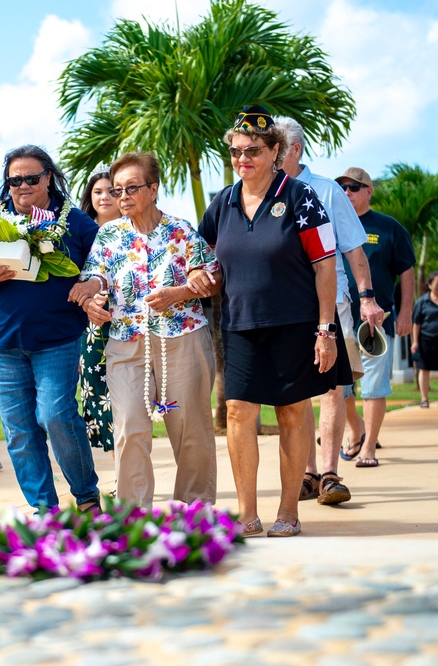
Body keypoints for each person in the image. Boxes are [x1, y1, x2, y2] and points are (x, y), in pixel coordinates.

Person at [199, 106, 340, 538]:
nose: (243, 159)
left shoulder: (300, 197)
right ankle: (246, 514)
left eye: (253, 150)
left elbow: (325, 265)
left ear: (275, 150)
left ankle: (288, 512)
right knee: (239, 411)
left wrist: (325, 329)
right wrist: (199, 274)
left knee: (292, 413)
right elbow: (203, 256)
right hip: (239, 325)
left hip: (295, 324)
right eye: (237, 151)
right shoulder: (222, 202)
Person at [70, 152, 221, 508]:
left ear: (153, 189)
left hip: (182, 338)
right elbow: (95, 274)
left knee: (191, 431)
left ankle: (194, 511)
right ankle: (132, 518)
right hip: (126, 341)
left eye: (131, 188)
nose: (121, 196)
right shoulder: (108, 234)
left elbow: (211, 276)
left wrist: (183, 291)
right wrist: (90, 295)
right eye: (117, 189)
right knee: (129, 429)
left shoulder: (180, 230)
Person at [0, 144, 100, 513]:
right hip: (6, 344)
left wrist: (92, 287)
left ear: (48, 178)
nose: (23, 185)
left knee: (56, 417)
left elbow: (103, 266)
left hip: (58, 341)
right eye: (14, 180)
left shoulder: (75, 222)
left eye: (31, 178)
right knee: (20, 431)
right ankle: (45, 510)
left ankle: (86, 497)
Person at [275, 117, 385, 506]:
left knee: (332, 387)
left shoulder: (326, 191)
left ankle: (329, 472)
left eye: (276, 145)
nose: (269, 153)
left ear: (295, 150)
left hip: (333, 299)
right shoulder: (260, 193)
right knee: (298, 390)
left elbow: (355, 248)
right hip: (285, 306)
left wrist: (367, 297)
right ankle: (307, 473)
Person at [335, 167, 416, 468]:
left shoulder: (389, 227)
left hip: (377, 322)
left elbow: (406, 270)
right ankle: (356, 427)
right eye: (342, 187)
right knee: (339, 386)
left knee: (373, 386)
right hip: (339, 318)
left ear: (369, 191)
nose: (347, 193)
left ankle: (368, 447)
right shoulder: (331, 226)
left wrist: (405, 311)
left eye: (354, 187)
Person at [76, 167, 120, 455]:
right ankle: (121, 471)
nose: (105, 197)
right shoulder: (78, 233)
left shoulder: (137, 229)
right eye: (98, 191)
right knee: (98, 393)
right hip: (92, 327)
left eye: (112, 191)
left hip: (129, 323)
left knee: (129, 399)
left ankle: (130, 475)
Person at [412, 270, 438, 408]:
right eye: (437, 284)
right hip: (426, 340)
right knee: (424, 369)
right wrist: (415, 342)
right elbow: (416, 323)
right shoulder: (422, 302)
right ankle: (424, 398)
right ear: (429, 285)